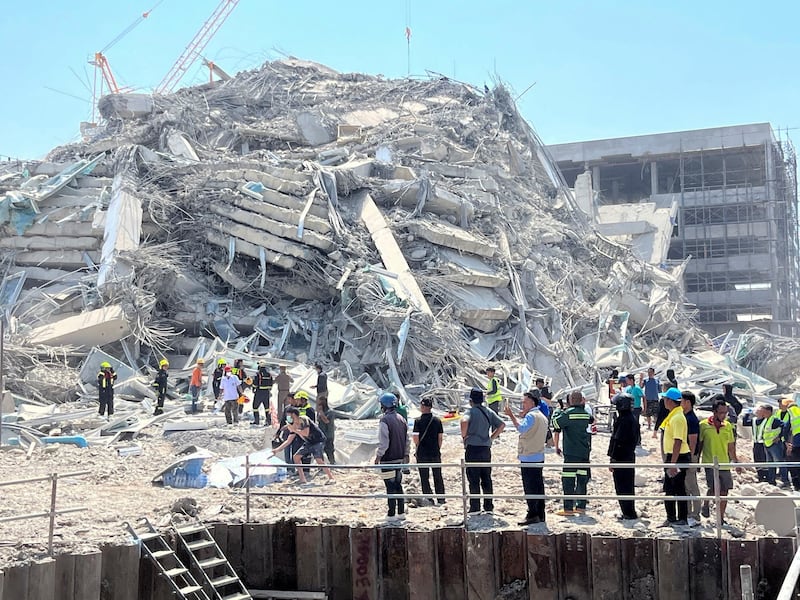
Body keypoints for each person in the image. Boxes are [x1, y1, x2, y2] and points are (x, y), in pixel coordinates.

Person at [505, 391, 548, 525]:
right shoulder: (542, 416)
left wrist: (511, 416)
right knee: (538, 486)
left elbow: (521, 429)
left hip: (529, 456)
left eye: (525, 402)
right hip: (539, 455)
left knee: (530, 487)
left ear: (532, 402)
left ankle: (532, 514)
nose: (523, 404)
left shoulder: (531, 416)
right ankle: (540, 514)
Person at [461, 387, 505, 514]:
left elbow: (464, 421)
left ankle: (475, 507)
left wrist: (464, 436)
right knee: (486, 477)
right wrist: (491, 438)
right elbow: (502, 425)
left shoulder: (471, 411)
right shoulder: (488, 411)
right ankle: (488, 506)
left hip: (473, 448)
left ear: (471, 401)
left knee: (473, 478)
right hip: (485, 448)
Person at [698, 397, 742, 521]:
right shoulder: (703, 425)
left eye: (725, 412)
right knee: (713, 488)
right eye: (721, 412)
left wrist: (736, 462)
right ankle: (706, 504)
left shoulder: (728, 426)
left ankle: (720, 517)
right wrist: (696, 463)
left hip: (724, 463)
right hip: (709, 462)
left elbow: (731, 447)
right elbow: (700, 444)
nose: (723, 415)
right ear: (714, 412)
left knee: (724, 491)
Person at [552, 391, 593, 516]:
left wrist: (559, 412)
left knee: (568, 480)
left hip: (571, 452)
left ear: (569, 401)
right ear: (582, 400)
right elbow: (591, 420)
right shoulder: (585, 414)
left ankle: (568, 508)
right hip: (584, 451)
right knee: (582, 479)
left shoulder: (568, 414)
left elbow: (555, 423)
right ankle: (581, 506)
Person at [271, 406, 335, 485]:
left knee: (318, 459)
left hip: (318, 441)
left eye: (289, 416)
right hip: (309, 442)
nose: (288, 418)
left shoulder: (304, 419)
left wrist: (294, 429)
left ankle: (331, 478)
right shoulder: (293, 425)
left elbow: (306, 433)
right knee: (296, 457)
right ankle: (302, 479)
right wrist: (277, 450)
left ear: (294, 415)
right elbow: (288, 441)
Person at [660, 387, 691, 526]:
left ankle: (681, 518)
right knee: (670, 487)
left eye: (665, 399)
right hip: (673, 456)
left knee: (678, 488)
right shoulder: (673, 415)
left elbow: (678, 441)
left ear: (670, 401)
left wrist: (673, 463)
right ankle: (671, 517)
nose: (664, 401)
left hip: (678, 456)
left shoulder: (678, 417)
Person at [376, 393, 409, 518]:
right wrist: (406, 454)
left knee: (389, 486)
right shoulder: (402, 419)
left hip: (387, 460)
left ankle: (391, 513)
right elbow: (407, 440)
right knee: (398, 484)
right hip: (399, 459)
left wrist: (378, 456)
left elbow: (384, 442)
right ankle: (401, 512)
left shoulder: (384, 420)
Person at [607, 393, 639, 520]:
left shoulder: (623, 421)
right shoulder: (632, 418)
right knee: (628, 485)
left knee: (622, 486)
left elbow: (618, 441)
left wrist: (613, 459)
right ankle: (629, 511)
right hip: (629, 455)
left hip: (621, 457)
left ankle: (628, 512)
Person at [413, 397, 445, 505]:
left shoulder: (417, 421)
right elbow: (440, 437)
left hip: (422, 452)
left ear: (423, 407)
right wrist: (437, 448)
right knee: (437, 475)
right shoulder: (437, 420)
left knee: (424, 476)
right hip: (435, 451)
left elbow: (415, 438)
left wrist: (417, 447)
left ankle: (429, 497)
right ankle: (441, 498)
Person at [681, 390, 702, 526]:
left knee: (692, 484)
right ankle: (688, 512)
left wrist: (690, 457)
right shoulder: (685, 416)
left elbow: (693, 441)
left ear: (688, 402)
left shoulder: (692, 419)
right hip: (687, 455)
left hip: (690, 456)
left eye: (682, 401)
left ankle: (695, 513)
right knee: (686, 486)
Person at [766, 401, 790, 487]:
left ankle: (785, 480)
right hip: (772, 442)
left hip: (784, 440)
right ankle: (772, 480)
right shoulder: (778, 413)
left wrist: (780, 436)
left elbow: (785, 426)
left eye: (781, 403)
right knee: (772, 462)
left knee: (780, 461)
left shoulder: (789, 413)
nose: (779, 405)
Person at [782, 398, 800, 491]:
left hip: (797, 443)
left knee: (795, 465)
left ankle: (797, 486)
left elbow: (786, 427)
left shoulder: (791, 412)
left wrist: (786, 442)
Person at [752, 405, 771, 482]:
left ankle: (766, 476)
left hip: (763, 443)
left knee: (764, 459)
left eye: (759, 410)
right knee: (757, 459)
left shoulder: (766, 420)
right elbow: (745, 422)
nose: (757, 410)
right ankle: (760, 476)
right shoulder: (754, 420)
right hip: (756, 443)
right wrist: (747, 414)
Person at [252, 361, 273, 426]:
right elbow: (271, 383)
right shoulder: (269, 374)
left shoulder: (258, 374)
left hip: (259, 392)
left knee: (255, 407)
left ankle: (256, 421)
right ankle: (268, 421)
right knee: (267, 408)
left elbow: (255, 383)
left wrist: (253, 389)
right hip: (266, 393)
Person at [625, 374, 644, 442]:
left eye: (627, 380)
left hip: (636, 408)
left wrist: (645, 407)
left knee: (636, 424)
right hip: (629, 408)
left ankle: (638, 440)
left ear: (631, 380)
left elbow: (643, 397)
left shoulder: (637, 388)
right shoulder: (628, 389)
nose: (626, 381)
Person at [317, 395, 336, 465]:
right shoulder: (319, 413)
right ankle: (321, 465)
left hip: (328, 435)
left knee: (329, 450)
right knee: (320, 450)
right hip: (321, 435)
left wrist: (321, 413)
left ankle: (332, 463)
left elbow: (327, 421)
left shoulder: (330, 412)